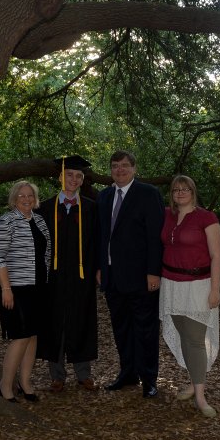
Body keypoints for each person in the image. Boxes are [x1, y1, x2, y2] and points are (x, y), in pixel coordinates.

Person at [96, 150, 164, 398]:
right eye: (115, 166)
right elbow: (101, 237)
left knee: (145, 329)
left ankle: (149, 379)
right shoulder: (103, 196)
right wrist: (100, 267)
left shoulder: (148, 194)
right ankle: (128, 373)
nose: (120, 170)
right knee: (121, 328)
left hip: (141, 277)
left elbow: (156, 237)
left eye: (125, 165)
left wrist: (153, 272)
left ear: (134, 168)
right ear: (110, 170)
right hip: (112, 277)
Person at [159, 175, 220, 418]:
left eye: (185, 189)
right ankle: (194, 381)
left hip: (198, 285)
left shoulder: (207, 218)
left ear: (193, 192)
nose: (180, 193)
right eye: (176, 189)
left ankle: (200, 396)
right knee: (185, 336)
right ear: (172, 194)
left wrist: (215, 289)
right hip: (171, 285)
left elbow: (216, 256)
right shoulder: (167, 215)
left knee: (195, 339)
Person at [36, 155, 99, 393]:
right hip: (52, 276)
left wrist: (98, 270)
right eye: (69, 175)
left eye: (78, 176)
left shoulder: (92, 209)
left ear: (83, 180)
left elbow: (97, 243)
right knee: (54, 322)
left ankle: (84, 374)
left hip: (82, 276)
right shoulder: (44, 208)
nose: (73, 179)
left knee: (82, 320)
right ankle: (57, 375)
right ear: (61, 176)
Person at [0, 180, 51, 403]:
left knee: (33, 335)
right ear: (14, 199)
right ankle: (5, 385)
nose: (26, 199)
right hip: (14, 288)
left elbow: (46, 254)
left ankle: (26, 383)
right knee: (20, 336)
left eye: (30, 196)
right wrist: (6, 288)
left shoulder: (40, 221)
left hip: (38, 286)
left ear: (35, 199)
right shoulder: (5, 222)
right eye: (21, 196)